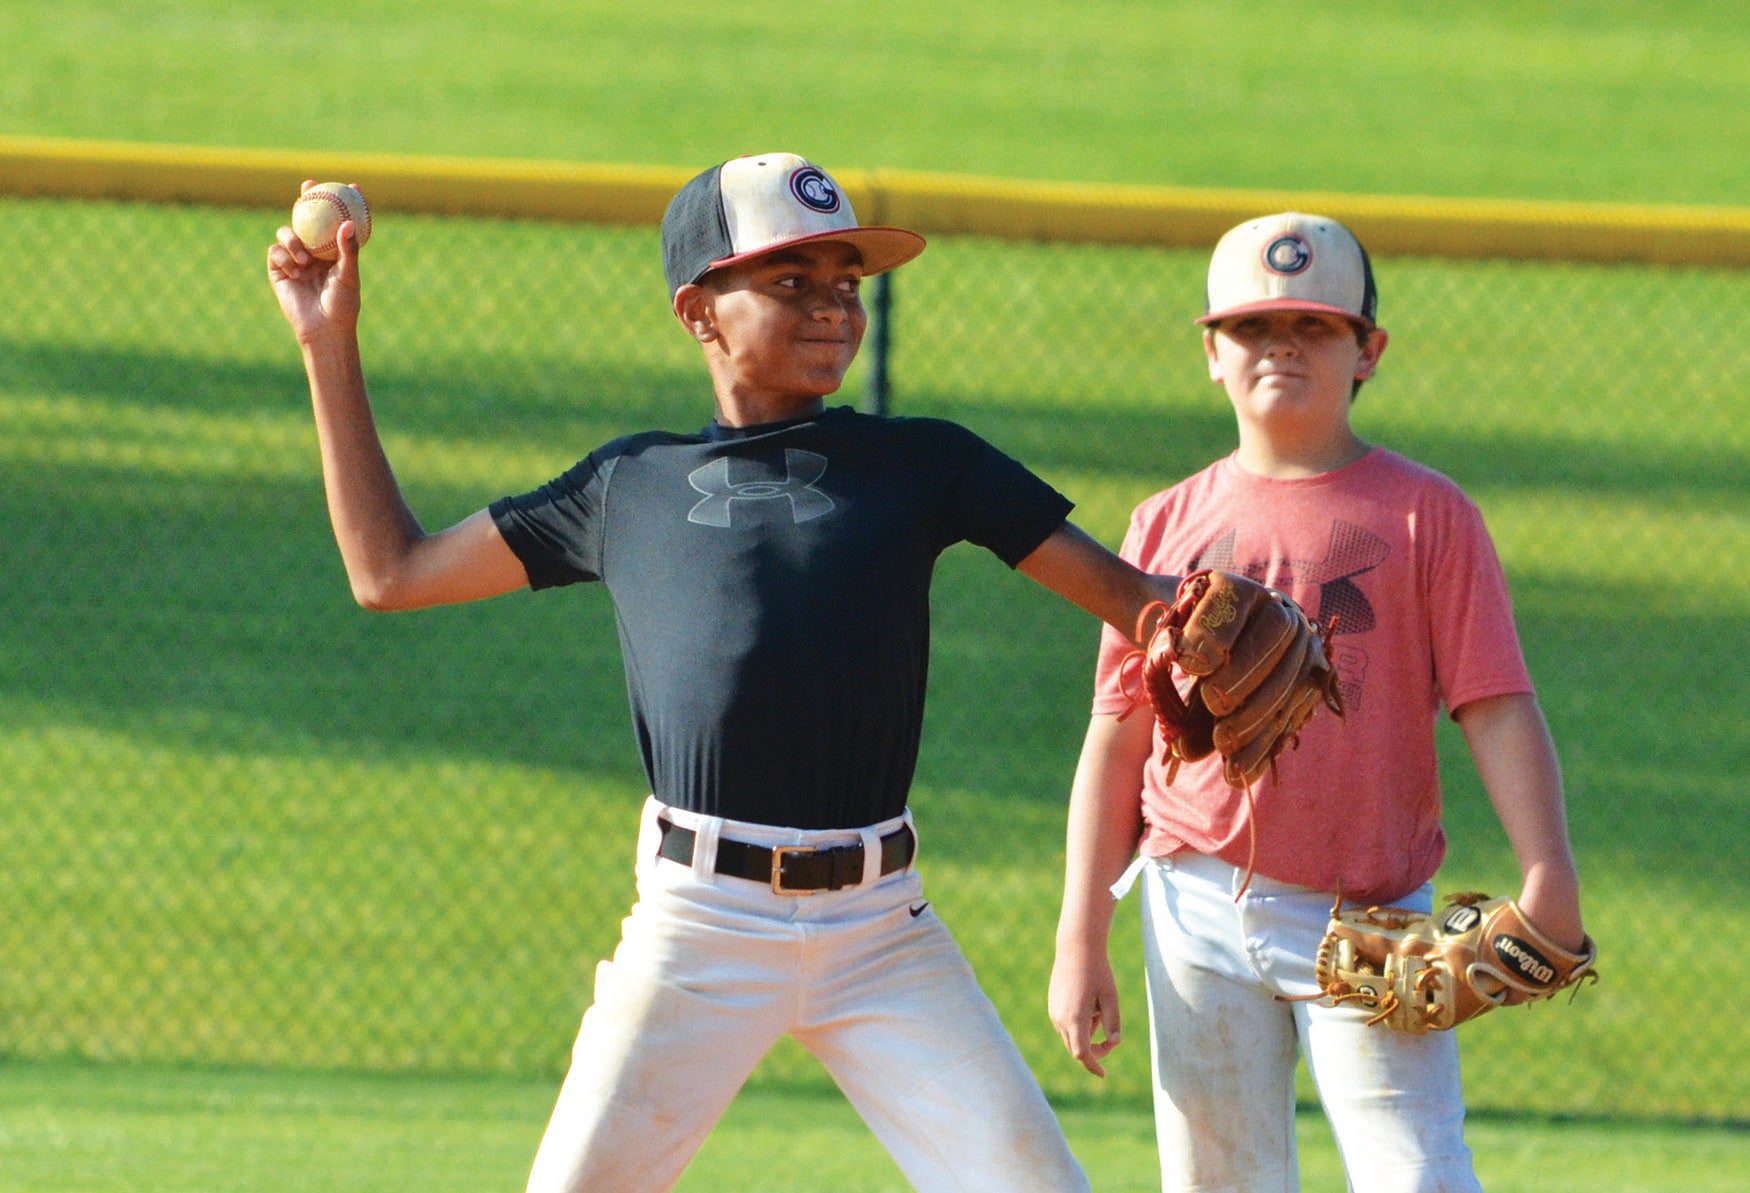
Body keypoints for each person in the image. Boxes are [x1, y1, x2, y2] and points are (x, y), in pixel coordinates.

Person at [267, 152, 1186, 1192]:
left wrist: (1226, 623)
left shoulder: (926, 463)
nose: (832, 304)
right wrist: (325, 340)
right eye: (790, 281)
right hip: (699, 922)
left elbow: (1139, 602)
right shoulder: (627, 488)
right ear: (698, 309)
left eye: (845, 281)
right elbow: (390, 571)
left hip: (881, 930)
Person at [1048, 212, 1587, 1191]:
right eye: (1252, 327)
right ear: (1211, 351)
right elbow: (1115, 733)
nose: (1279, 346)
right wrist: (1079, 933)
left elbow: (1495, 702)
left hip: (1369, 914)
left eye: (1311, 326)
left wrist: (1547, 865)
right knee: (1219, 1181)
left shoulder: (1429, 515)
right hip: (1194, 902)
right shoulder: (1166, 521)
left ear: (1367, 350)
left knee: (1416, 1173)